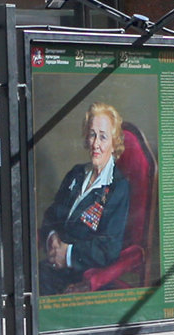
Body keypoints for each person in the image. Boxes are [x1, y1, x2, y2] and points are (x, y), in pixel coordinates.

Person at [40, 100, 133, 292]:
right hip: (54, 267)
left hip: (83, 276)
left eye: (103, 137)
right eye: (92, 135)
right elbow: (51, 216)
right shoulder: (76, 174)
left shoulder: (118, 187)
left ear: (114, 144)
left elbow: (109, 248)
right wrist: (52, 239)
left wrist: (67, 255)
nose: (96, 144)